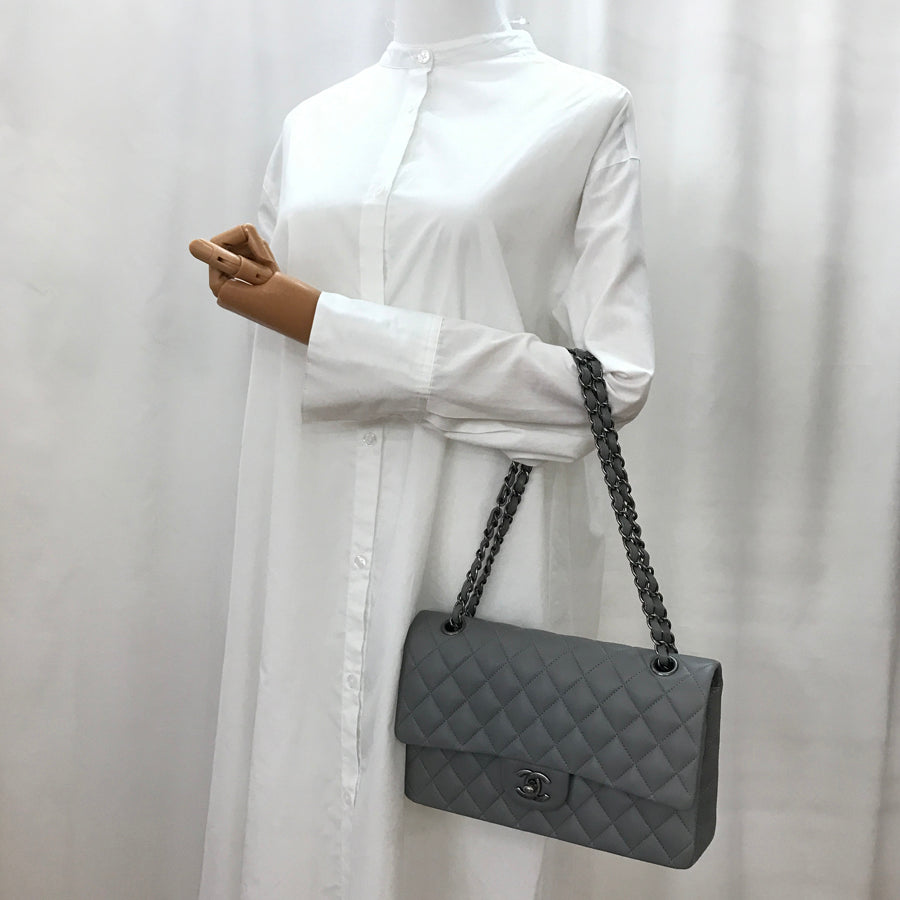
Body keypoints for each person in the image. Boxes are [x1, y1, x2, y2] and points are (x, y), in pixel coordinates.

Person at [191, 1, 655, 897]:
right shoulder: (312, 124)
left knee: (459, 833)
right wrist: (285, 297)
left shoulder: (583, 111)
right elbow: (294, 354)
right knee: (302, 791)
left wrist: (328, 325)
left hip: (475, 536)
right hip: (311, 538)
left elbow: (615, 382)